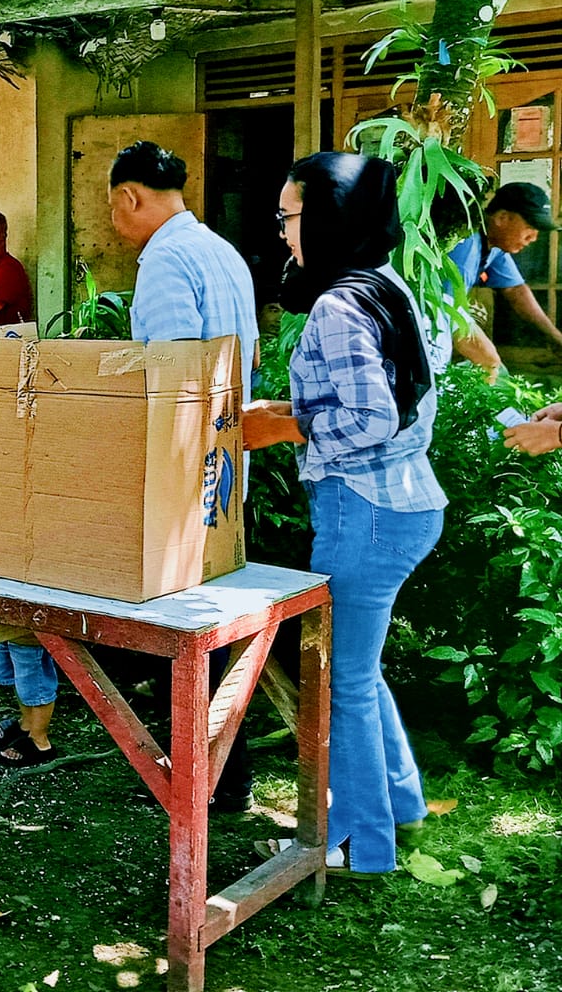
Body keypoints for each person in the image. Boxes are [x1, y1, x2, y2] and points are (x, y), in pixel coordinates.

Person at [243, 152, 445, 877]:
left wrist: (283, 426)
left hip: (365, 511)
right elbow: (407, 394)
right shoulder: (386, 283)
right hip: (404, 502)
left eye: (289, 216)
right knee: (359, 672)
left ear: (329, 219)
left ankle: (363, 841)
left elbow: (372, 418)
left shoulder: (337, 305)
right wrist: (291, 412)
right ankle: (400, 805)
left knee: (341, 682)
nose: (282, 231)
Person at [103, 139, 263, 802]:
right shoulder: (221, 251)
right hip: (228, 460)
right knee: (215, 625)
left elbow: (174, 378)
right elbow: (246, 360)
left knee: (189, 631)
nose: (114, 222)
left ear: (130, 196)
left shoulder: (165, 260)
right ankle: (223, 772)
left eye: (113, 208)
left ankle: (205, 779)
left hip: (187, 469)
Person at [447, 182, 562, 376]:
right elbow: (446, 311)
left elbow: (515, 290)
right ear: (502, 218)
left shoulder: (494, 245)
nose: (533, 238)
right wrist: (489, 359)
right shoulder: (465, 246)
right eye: (529, 227)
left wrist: (554, 337)